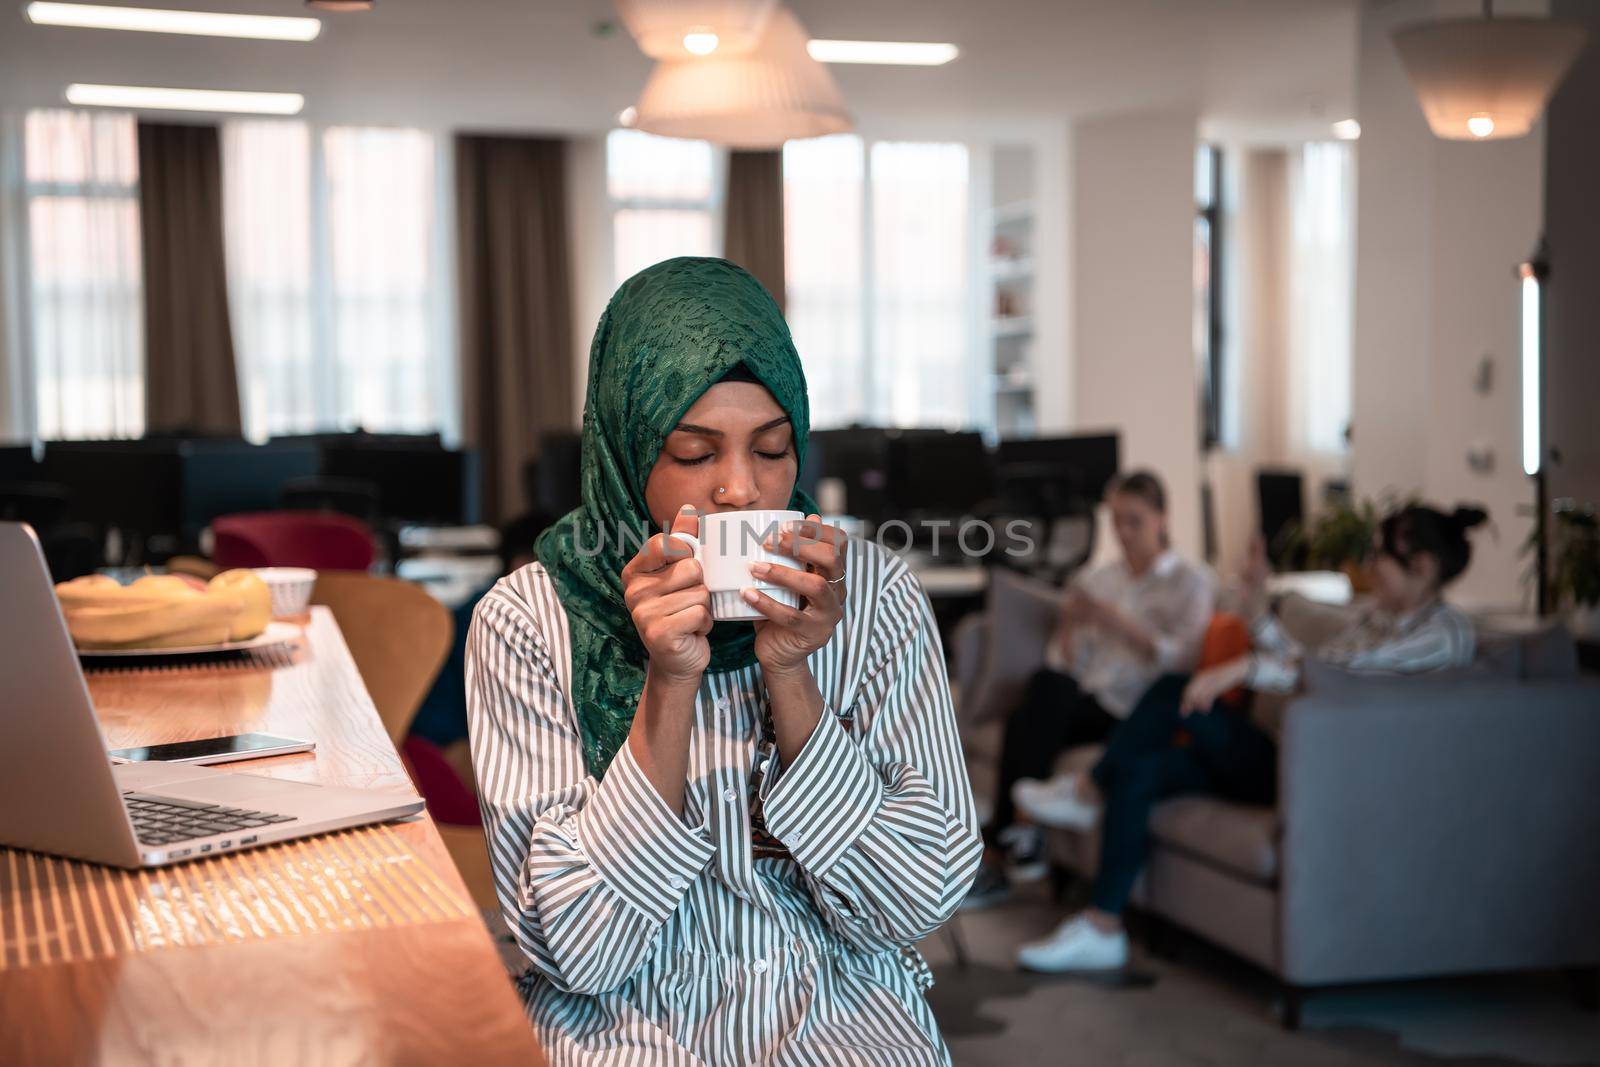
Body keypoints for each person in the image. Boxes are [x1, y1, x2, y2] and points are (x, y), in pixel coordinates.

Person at [464, 257, 981, 1065]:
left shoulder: (872, 595)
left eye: (773, 449)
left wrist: (791, 674)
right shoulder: (529, 621)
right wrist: (668, 681)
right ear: (629, 448)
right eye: (696, 452)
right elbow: (579, 954)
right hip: (625, 1026)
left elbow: (917, 899)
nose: (743, 489)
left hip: (840, 1009)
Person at [1013, 503, 1487, 972]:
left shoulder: (1443, 634)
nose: (1368, 566)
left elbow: (1342, 674)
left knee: (1175, 692)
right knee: (1138, 770)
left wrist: (1244, 668)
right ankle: (1103, 926)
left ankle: (1087, 789)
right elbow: (1304, 657)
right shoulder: (1373, 617)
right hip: (1282, 754)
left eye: (1380, 555)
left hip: (1316, 773)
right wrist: (1257, 596)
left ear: (1422, 567)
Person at [964, 470, 1213, 910]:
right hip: (1088, 697)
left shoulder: (1189, 582)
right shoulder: (1101, 578)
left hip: (1135, 709)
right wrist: (1069, 630)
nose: (1123, 533)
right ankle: (1018, 837)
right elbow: (1065, 661)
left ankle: (1004, 845)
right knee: (1044, 689)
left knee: (1037, 711)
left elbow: (1182, 662)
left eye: (1135, 521)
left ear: (1162, 518)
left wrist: (1116, 621)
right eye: (1116, 521)